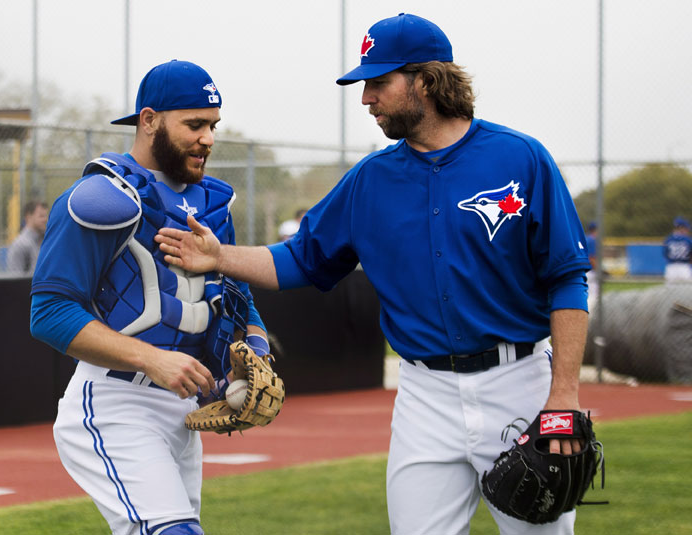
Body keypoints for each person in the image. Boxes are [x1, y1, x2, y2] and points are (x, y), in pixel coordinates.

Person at [155, 14, 591, 535]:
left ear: (426, 82)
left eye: (379, 82)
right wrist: (219, 256)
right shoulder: (371, 179)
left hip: (518, 383)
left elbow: (567, 278)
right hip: (425, 396)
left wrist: (563, 396)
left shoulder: (520, 158)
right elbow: (300, 259)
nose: (366, 98)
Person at [30, 60, 269, 535]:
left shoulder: (213, 204)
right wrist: (152, 359)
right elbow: (49, 312)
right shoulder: (101, 196)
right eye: (195, 124)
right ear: (149, 119)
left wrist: (256, 347)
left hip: (185, 412)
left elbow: (236, 295)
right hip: (117, 399)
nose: (209, 139)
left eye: (213, 125)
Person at [6, 200, 48, 274]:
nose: (45, 219)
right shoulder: (20, 244)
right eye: (41, 216)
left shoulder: (45, 240)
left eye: (46, 216)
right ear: (28, 217)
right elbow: (15, 278)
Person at [663, 216, 692, 282]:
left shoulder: (668, 239)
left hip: (671, 267)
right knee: (686, 290)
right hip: (684, 267)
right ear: (681, 228)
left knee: (671, 291)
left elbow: (665, 254)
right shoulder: (688, 240)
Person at [585, 222, 599, 312]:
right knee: (594, 296)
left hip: (585, 270)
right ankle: (593, 313)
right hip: (591, 271)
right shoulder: (592, 240)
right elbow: (592, 257)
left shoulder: (586, 238)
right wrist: (598, 269)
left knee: (587, 294)